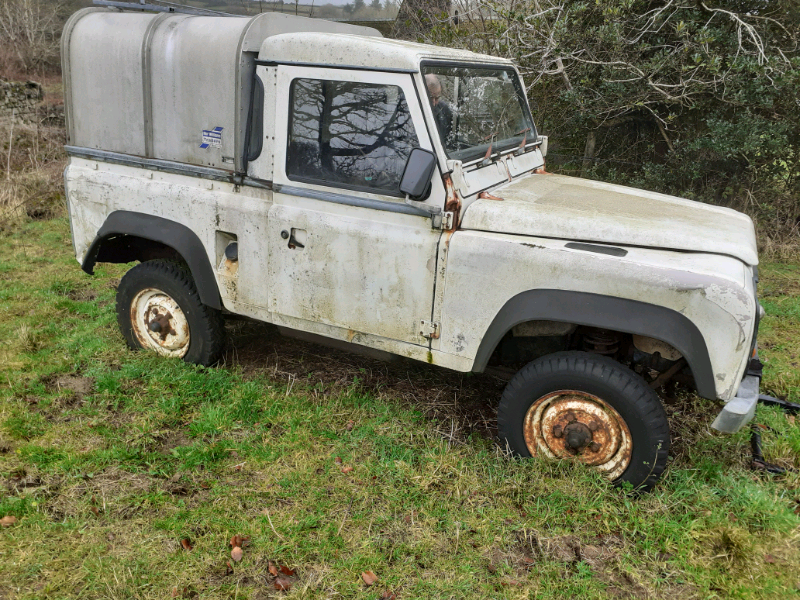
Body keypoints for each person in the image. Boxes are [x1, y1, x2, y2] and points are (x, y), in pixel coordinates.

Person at [424, 73, 453, 147]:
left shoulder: (444, 109)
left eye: (437, 98)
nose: (434, 103)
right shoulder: (408, 109)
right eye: (430, 98)